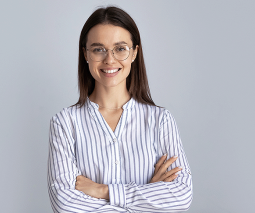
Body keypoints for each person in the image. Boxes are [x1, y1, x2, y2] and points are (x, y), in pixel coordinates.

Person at [47, 6, 192, 213]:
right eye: (98, 49)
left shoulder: (160, 120)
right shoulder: (65, 123)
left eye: (120, 48)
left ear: (134, 53)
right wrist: (149, 194)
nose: (109, 60)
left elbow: (181, 196)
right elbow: (65, 205)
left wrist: (104, 191)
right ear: (85, 54)